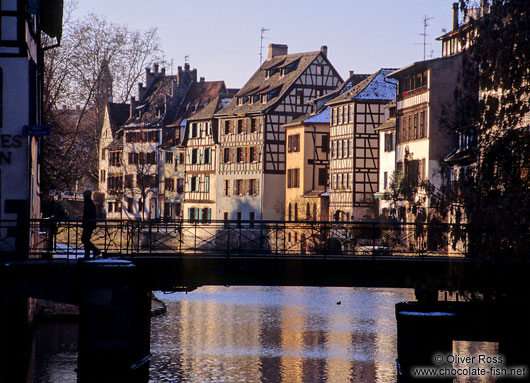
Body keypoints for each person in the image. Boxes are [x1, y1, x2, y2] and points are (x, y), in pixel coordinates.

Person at [82, 190, 101, 258]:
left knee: (84, 239)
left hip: (88, 224)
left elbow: (87, 214)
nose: (83, 197)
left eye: (84, 195)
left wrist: (85, 222)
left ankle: (95, 250)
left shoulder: (88, 203)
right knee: (86, 239)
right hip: (89, 224)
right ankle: (87, 254)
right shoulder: (90, 203)